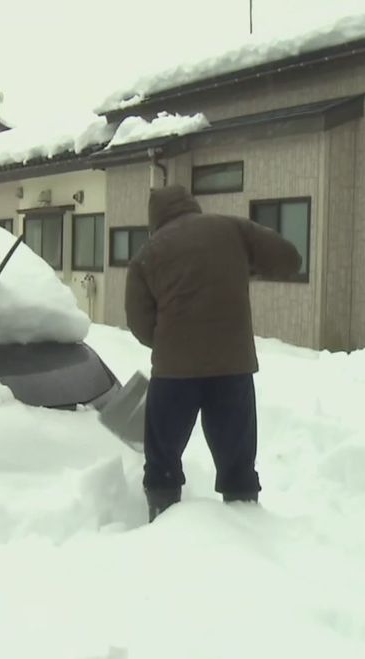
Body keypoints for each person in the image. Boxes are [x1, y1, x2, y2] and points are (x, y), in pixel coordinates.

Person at [125, 184, 302, 522]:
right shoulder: (232, 229)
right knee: (237, 461)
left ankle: (161, 518)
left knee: (162, 458)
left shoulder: (147, 254)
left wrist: (169, 343)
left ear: (155, 218)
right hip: (232, 367)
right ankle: (246, 526)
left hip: (174, 374)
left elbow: (139, 321)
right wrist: (246, 266)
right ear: (191, 205)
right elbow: (288, 258)